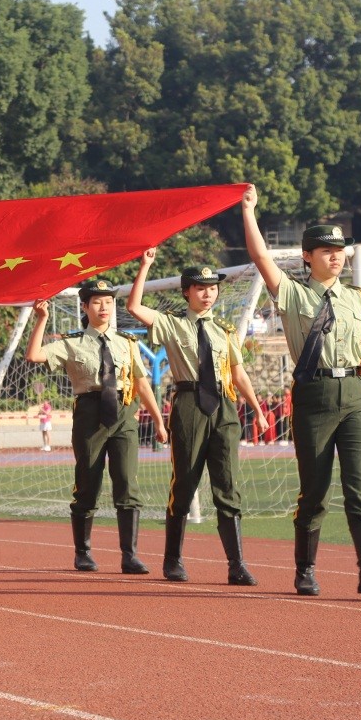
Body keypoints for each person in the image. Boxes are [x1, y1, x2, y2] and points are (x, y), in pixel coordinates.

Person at [242, 186, 361, 596]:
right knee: (314, 488)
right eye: (325, 250)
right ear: (307, 257)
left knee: (360, 485)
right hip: (313, 395)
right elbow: (261, 257)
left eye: (340, 249)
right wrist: (249, 212)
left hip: (355, 393)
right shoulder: (293, 293)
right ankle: (306, 569)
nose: (336, 255)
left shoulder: (360, 300)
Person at [127, 248, 268, 586]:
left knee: (228, 485)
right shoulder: (173, 325)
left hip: (224, 407)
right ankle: (173, 559)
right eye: (200, 288)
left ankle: (236, 564)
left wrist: (257, 409)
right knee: (185, 483)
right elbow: (134, 307)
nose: (208, 294)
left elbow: (238, 373)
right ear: (186, 292)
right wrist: (145, 265)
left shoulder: (224, 331)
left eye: (213, 288)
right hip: (189, 403)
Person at [25, 281, 170, 575]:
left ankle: (130, 556)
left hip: (124, 412)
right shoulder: (72, 342)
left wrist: (157, 419)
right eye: (96, 302)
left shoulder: (127, 342)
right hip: (90, 413)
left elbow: (142, 384)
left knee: (127, 483)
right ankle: (83, 552)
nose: (103, 308)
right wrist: (41, 319)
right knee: (88, 482)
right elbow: (34, 355)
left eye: (108, 302)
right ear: (84, 307)